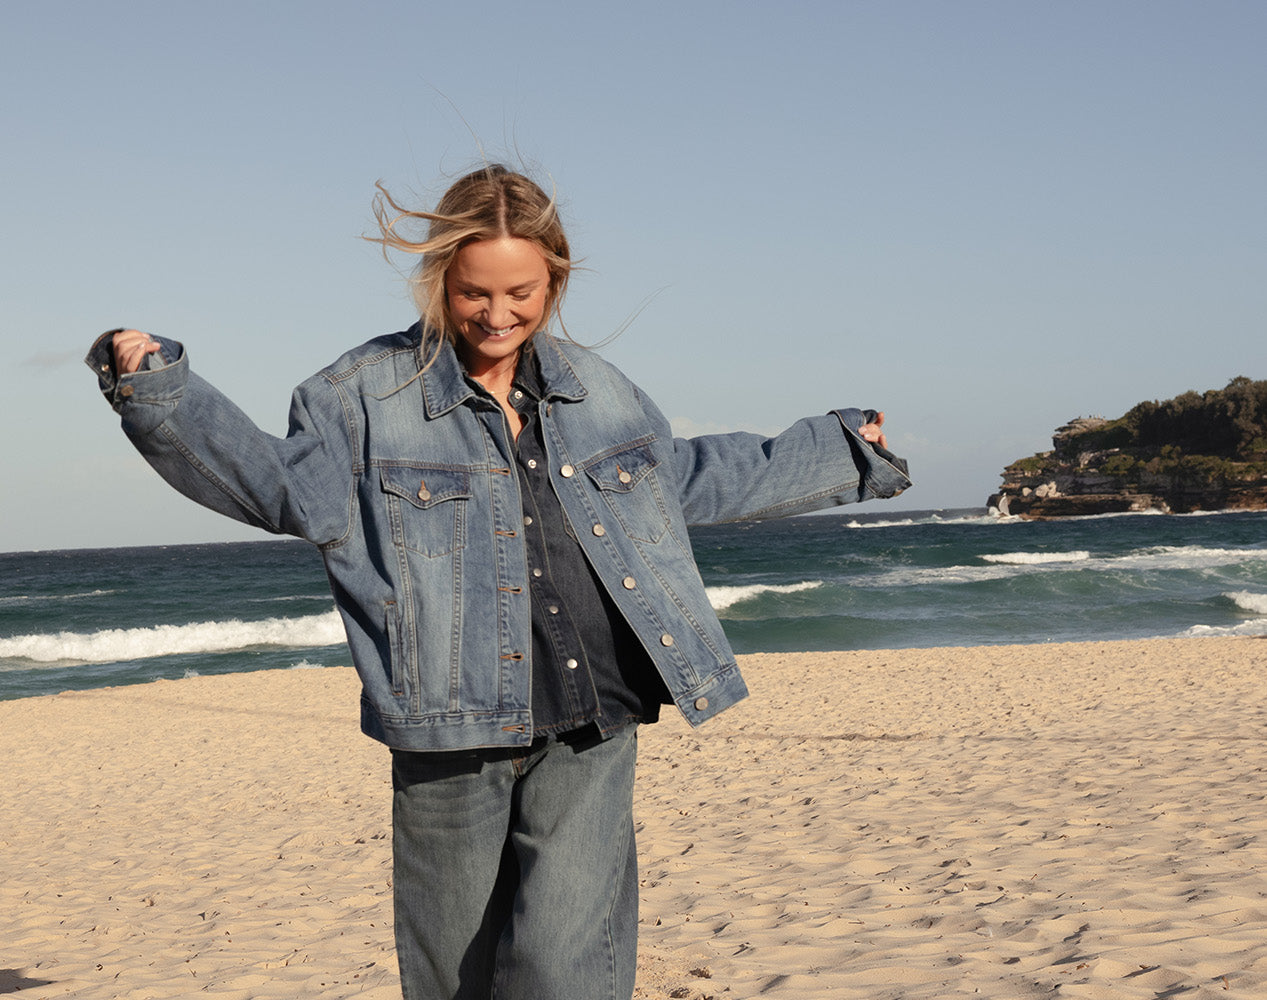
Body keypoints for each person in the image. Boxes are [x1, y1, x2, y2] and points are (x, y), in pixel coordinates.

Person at [86, 164, 910, 1000]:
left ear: (554, 276)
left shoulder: (599, 390)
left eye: (522, 291)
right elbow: (276, 484)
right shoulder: (362, 396)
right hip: (451, 725)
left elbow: (688, 477)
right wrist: (160, 395)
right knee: (458, 976)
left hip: (596, 713)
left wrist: (840, 449)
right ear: (439, 278)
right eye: (474, 293)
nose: (498, 314)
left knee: (563, 968)